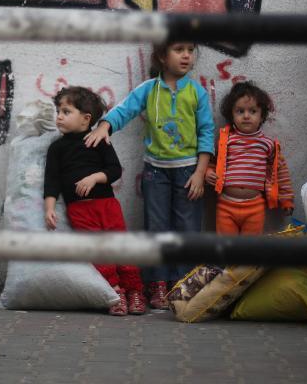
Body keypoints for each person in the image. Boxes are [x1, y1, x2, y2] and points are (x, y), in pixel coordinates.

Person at [84, 41, 214, 310]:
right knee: (156, 228)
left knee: (188, 230)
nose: (187, 55)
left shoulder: (196, 93)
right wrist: (105, 125)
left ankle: (183, 284)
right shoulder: (149, 90)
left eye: (190, 50)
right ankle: (157, 283)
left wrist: (201, 173)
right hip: (156, 172)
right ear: (162, 56)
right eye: (179, 50)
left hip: (189, 171)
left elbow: (207, 133)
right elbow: (125, 109)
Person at [43, 86, 147, 316]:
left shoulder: (98, 140)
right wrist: (49, 208)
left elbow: (114, 170)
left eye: (66, 111)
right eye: (58, 111)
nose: (59, 116)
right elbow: (51, 181)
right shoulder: (56, 149)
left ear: (86, 119)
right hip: (79, 210)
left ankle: (134, 290)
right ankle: (114, 292)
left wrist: (94, 178)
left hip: (107, 206)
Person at [203, 81, 294, 235]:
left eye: (252, 111)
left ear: (261, 115)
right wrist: (207, 173)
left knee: (250, 251)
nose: (246, 116)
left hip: (255, 208)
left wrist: (286, 199)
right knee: (226, 248)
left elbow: (280, 172)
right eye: (240, 111)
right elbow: (213, 162)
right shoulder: (226, 141)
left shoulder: (268, 145)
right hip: (226, 206)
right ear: (231, 115)